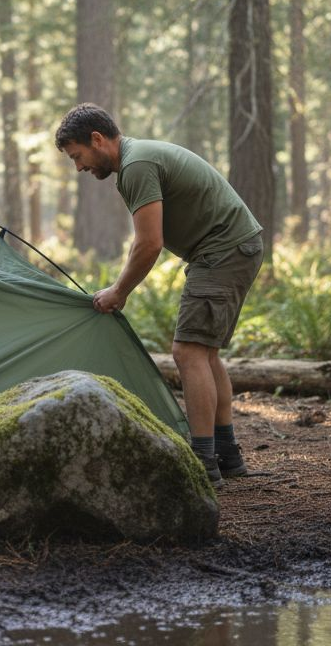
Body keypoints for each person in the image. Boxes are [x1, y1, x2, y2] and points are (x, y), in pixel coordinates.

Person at [54, 103, 263, 485]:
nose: (79, 167)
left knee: (188, 351)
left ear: (97, 140)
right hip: (233, 247)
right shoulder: (136, 160)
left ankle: (203, 462)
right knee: (205, 352)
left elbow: (149, 243)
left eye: (77, 156)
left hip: (224, 249)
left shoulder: (137, 166)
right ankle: (227, 454)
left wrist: (119, 292)